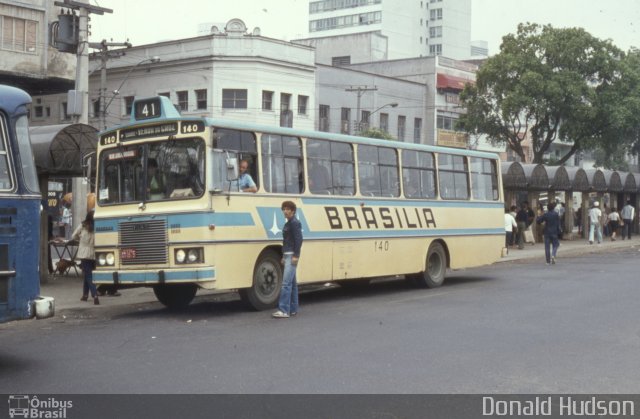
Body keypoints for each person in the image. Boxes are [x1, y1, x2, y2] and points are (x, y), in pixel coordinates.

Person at [272, 200, 303, 319]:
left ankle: (284, 310)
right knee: (292, 284)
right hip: (288, 254)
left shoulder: (294, 223)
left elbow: (299, 240)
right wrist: (283, 256)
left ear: (293, 211)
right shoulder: (289, 223)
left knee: (286, 284)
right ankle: (293, 309)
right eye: (284, 209)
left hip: (292, 255)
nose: (285, 211)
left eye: (287, 209)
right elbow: (286, 242)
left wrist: (296, 255)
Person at [72, 211, 99, 305]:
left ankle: (95, 294)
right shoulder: (97, 226)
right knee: (88, 274)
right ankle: (85, 295)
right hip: (93, 253)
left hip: (84, 253)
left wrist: (80, 239)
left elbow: (73, 236)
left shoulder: (83, 225)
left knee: (88, 275)